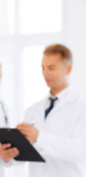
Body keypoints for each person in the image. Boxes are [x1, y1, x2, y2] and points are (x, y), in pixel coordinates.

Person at [17, 43, 86, 177]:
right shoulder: (32, 110)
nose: (45, 73)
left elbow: (81, 150)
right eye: (43, 68)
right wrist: (11, 152)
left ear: (68, 69)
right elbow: (26, 155)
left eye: (51, 68)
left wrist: (39, 137)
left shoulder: (81, 106)